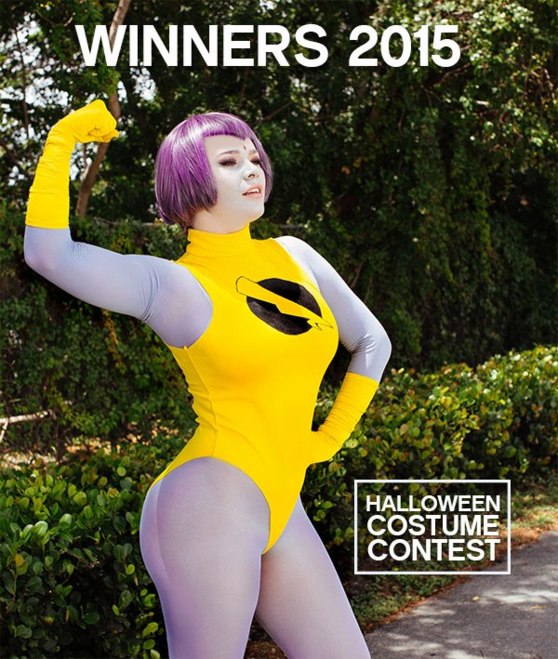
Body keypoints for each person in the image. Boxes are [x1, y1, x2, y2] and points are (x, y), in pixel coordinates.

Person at [24, 100, 391, 658]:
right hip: (208, 502)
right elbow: (49, 255)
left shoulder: (294, 255)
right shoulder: (173, 285)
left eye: (253, 158)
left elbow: (372, 342)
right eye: (228, 161)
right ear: (191, 182)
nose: (251, 170)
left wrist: (330, 436)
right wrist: (61, 143)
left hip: (281, 500)